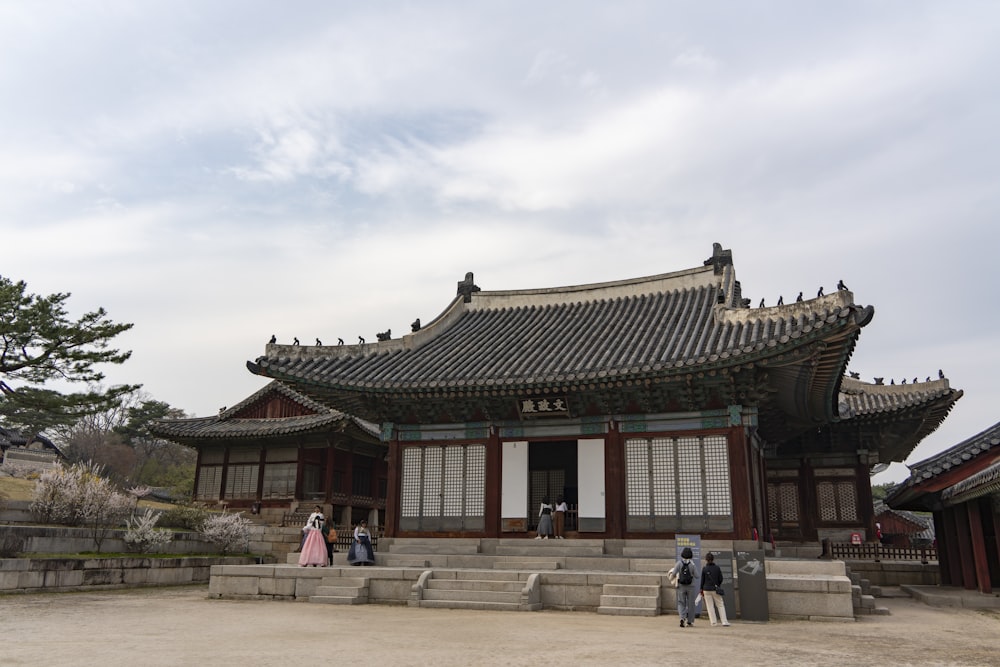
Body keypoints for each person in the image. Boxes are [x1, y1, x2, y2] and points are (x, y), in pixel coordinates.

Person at [669, 547, 700, 627]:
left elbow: (673, 574)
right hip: (691, 586)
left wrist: (672, 578)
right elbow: (697, 576)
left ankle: (682, 618)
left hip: (681, 586)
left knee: (681, 602)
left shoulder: (679, 563)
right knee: (691, 604)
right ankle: (690, 621)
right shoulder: (692, 564)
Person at [699, 552, 730, 627]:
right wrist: (717, 585)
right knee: (720, 605)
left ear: (706, 560)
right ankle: (724, 621)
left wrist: (701, 589)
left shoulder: (704, 569)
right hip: (715, 589)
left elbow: (702, 580)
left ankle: (713, 622)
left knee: (710, 606)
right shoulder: (717, 568)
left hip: (706, 589)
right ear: (713, 559)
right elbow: (721, 579)